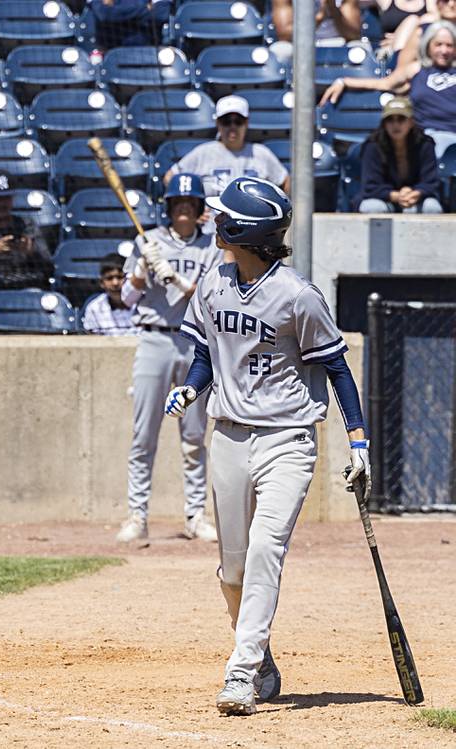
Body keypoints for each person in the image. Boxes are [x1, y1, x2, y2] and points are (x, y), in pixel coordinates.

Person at [164, 177, 369, 715]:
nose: (213, 222)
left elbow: (337, 368)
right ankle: (261, 655)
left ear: (240, 229)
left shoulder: (299, 296)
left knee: (265, 549)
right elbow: (208, 354)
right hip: (228, 436)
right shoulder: (213, 282)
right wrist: (191, 386)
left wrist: (359, 441)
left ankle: (239, 671)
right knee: (232, 570)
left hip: (288, 440)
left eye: (221, 216)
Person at [115, 173, 223, 544]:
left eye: (189, 204)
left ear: (198, 210)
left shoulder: (211, 246)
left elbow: (210, 297)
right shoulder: (148, 242)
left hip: (194, 343)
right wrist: (143, 272)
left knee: (193, 435)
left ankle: (195, 515)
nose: (183, 210)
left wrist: (175, 279)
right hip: (154, 340)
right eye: (177, 204)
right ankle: (137, 516)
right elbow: (127, 299)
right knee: (144, 434)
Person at [320, 20, 456, 157]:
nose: (444, 51)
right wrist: (344, 82)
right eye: (438, 45)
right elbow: (383, 83)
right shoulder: (416, 69)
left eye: (449, 46)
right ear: (428, 45)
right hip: (427, 134)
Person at [164, 96, 290, 234]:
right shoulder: (203, 153)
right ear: (218, 123)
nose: (232, 127)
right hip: (210, 236)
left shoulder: (261, 154)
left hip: (251, 236)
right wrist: (195, 210)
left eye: (238, 121)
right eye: (226, 122)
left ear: (246, 123)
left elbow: (285, 182)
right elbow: (170, 178)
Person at [357, 95, 442, 213]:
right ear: (384, 123)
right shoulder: (372, 146)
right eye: (390, 120)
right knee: (372, 207)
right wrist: (396, 196)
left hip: (416, 198)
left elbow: (431, 182)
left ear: (411, 122)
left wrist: (416, 193)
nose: (395, 125)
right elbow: (371, 186)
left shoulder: (425, 144)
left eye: (401, 119)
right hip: (385, 199)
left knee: (431, 207)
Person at [269, 0, 363, 63]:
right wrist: (319, 17)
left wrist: (332, 8)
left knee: (361, 49)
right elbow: (285, 35)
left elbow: (354, 34)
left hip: (338, 41)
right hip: (298, 43)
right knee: (279, 51)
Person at [82, 253, 136, 335]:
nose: (115, 283)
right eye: (109, 278)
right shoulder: (94, 308)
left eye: (120, 277)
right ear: (101, 282)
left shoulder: (143, 303)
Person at [88, 0, 172, 52]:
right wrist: (146, 9)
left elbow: (161, 13)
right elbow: (104, 14)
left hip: (149, 52)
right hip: (110, 52)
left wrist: (118, 14)